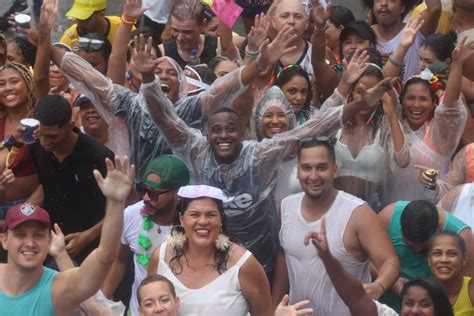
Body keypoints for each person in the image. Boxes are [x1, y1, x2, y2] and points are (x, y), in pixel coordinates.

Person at [137, 30, 396, 276]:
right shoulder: (197, 150)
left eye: (231, 129)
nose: (224, 135)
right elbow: (165, 119)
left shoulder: (259, 155)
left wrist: (359, 102)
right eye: (217, 130)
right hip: (212, 261)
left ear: (243, 131)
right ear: (207, 133)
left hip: (263, 260)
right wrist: (149, 79)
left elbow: (315, 128)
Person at [272, 137, 400, 315]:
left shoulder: (358, 213)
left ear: (335, 171)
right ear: (298, 171)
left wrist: (379, 286)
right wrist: (273, 308)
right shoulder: (287, 206)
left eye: (321, 168)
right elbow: (284, 257)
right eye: (307, 168)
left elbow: (390, 261)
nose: (313, 176)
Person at [0, 155, 134, 315]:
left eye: (38, 235)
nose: (30, 243)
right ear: (4, 240)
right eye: (21, 235)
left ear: (50, 242)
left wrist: (116, 202)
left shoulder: (60, 289)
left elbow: (105, 255)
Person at [148, 184, 273, 315]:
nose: (203, 221)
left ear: (221, 219)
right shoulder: (161, 257)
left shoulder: (244, 264)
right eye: (194, 215)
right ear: (182, 219)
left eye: (211, 215)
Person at [27, 95, 115, 263]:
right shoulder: (37, 146)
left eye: (52, 136)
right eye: (42, 135)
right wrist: (23, 211)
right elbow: (47, 186)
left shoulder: (99, 156)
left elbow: (122, 205)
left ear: (70, 126)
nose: (45, 142)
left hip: (93, 249)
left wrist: (88, 236)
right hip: (51, 245)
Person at [386, 37, 472, 203]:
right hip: (391, 213)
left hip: (431, 216)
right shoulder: (393, 122)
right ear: (401, 101)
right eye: (410, 98)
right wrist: (403, 47)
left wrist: (457, 65)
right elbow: (384, 84)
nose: (416, 105)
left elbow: (450, 106)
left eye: (423, 99)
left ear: (434, 103)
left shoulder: (439, 131)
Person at [102, 155, 190, 316]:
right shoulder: (131, 214)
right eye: (144, 190)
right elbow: (120, 260)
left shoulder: (191, 224)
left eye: (154, 194)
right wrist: (102, 302)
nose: (146, 198)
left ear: (178, 194)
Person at [322, 49, 407, 210]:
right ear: (351, 92)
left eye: (372, 93)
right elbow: (319, 123)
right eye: (359, 91)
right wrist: (344, 83)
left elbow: (402, 160)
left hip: (374, 205)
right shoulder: (339, 122)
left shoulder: (385, 125)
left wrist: (392, 115)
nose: (365, 99)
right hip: (335, 204)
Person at [378, 199, 474, 311]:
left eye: (424, 248)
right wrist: (391, 281)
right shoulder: (388, 217)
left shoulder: (462, 238)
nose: (417, 250)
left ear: (439, 225)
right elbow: (366, 261)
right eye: (409, 245)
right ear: (400, 225)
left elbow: (466, 291)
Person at [0, 63, 40, 226]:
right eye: (1, 84)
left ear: (29, 83)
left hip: (29, 211)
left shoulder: (39, 123)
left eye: (14, 81)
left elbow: (51, 177)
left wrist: (23, 213)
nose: (8, 88)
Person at [364, 0, 442, 79]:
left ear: (402, 7)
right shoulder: (363, 36)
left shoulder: (415, 29)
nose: (384, 4)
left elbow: (435, 8)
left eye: (392, 0)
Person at [158, 0, 219, 69]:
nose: (180, 38)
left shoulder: (218, 47)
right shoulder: (162, 52)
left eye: (187, 32)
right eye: (175, 30)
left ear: (202, 25)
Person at [428, 231, 474, 315]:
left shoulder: (471, 290)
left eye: (452, 254)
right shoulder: (421, 290)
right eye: (437, 253)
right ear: (429, 260)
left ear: (464, 260)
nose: (444, 260)